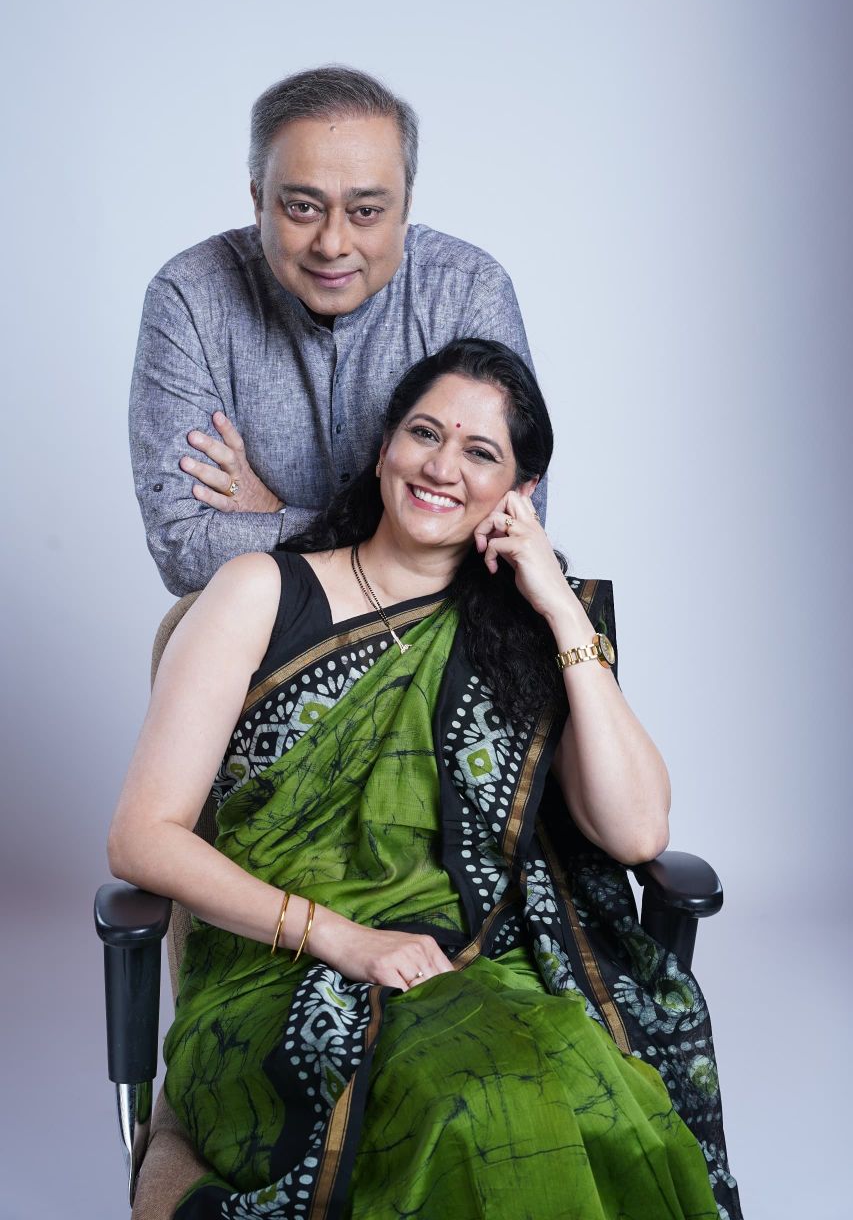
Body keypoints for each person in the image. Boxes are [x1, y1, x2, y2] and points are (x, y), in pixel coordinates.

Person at [110, 339, 741, 1219]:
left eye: (480, 452)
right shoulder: (259, 592)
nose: (442, 467)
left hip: (484, 966)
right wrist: (346, 940)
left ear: (519, 494)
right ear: (384, 448)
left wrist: (560, 609)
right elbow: (142, 837)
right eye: (424, 433)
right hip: (280, 977)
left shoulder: (520, 634)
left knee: (589, 1092)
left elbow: (637, 832)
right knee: (479, 1103)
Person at [130, 66, 541, 598]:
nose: (332, 244)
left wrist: (273, 515)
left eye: (366, 211)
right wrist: (407, 540)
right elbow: (183, 551)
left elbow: (507, 542)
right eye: (302, 208)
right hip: (260, 631)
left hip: (438, 630)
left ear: (405, 208)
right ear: (258, 200)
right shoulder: (190, 296)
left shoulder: (468, 292)